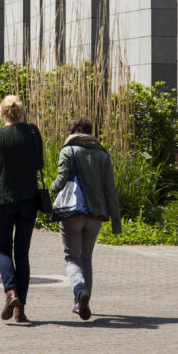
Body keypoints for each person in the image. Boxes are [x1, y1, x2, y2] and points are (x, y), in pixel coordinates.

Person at [50, 116, 121, 320]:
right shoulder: (102, 155)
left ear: (71, 132)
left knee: (71, 257)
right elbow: (110, 190)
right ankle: (81, 301)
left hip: (73, 213)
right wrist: (116, 221)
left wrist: (48, 192)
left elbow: (61, 181)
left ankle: (80, 291)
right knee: (86, 258)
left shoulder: (68, 151)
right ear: (90, 132)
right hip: (96, 215)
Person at [0, 94, 44, 324]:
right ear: (21, 111)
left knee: (3, 250)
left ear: (2, 113)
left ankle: (11, 292)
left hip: (2, 201)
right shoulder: (32, 132)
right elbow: (40, 164)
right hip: (28, 200)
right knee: (22, 254)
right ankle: (20, 311)